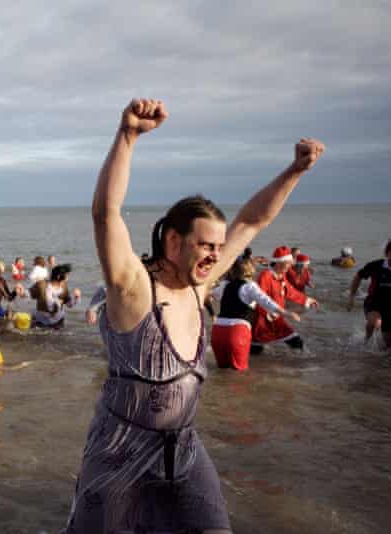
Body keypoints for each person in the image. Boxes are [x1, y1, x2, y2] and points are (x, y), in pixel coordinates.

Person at [63, 98, 325, 534]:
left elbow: (252, 222)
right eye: (206, 245)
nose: (217, 256)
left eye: (219, 247)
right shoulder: (133, 288)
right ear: (172, 241)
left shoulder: (200, 285)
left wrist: (294, 171)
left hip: (182, 448)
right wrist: (128, 136)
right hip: (120, 448)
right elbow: (105, 215)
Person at [211, 258, 300, 370]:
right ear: (250, 270)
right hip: (237, 332)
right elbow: (266, 301)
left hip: (217, 331)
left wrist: (211, 313)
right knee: (239, 375)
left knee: (221, 371)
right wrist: (286, 313)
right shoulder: (250, 286)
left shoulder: (224, 285)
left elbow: (208, 296)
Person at [251, 246, 318, 354]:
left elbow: (290, 291)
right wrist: (269, 313)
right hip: (263, 321)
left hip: (277, 319)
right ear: (279, 263)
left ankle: (305, 362)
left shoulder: (281, 275)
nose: (291, 266)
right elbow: (259, 298)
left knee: (297, 342)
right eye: (288, 263)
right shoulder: (265, 276)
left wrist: (307, 299)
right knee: (256, 350)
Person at [31, 264, 81, 328]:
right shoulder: (42, 285)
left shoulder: (64, 287)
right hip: (40, 320)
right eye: (66, 275)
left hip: (57, 321)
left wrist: (76, 297)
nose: (67, 278)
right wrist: (22, 292)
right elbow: (28, 294)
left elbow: (69, 304)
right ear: (58, 276)